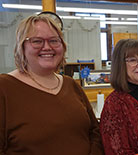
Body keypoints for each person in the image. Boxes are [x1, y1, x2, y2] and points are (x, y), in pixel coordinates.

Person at [0, 14, 104, 155]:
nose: (47, 47)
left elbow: (94, 132)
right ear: (22, 46)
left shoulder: (71, 85)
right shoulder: (5, 88)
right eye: (37, 41)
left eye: (54, 40)